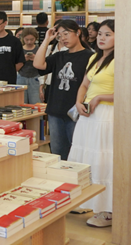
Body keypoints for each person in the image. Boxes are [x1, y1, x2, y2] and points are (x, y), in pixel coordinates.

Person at [68, 20, 115, 228]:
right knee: (86, 158)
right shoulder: (94, 57)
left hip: (107, 115)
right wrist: (79, 101)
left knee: (103, 160)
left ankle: (108, 210)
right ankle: (89, 202)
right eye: (100, 34)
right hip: (88, 115)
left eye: (108, 34)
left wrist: (100, 97)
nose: (102, 38)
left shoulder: (122, 59)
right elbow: (84, 84)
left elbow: (129, 90)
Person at [33, 20, 92, 160]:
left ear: (78, 32)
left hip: (76, 111)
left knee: (77, 151)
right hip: (55, 110)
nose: (63, 38)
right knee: (57, 151)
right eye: (59, 35)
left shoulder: (90, 56)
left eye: (66, 33)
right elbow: (38, 64)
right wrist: (47, 40)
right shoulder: (60, 55)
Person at [17, 28, 41, 104]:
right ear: (23, 38)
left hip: (36, 77)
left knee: (36, 103)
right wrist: (23, 60)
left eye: (32, 39)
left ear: (36, 38)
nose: (29, 42)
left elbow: (44, 65)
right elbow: (15, 66)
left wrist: (36, 59)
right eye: (27, 39)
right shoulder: (19, 49)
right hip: (21, 77)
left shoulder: (39, 49)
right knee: (21, 103)